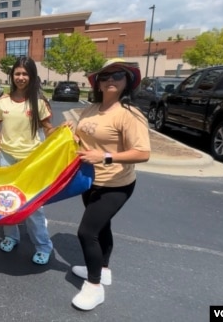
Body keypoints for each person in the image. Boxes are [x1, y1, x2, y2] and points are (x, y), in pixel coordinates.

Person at [69, 58, 150, 311]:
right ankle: (102, 269)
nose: (111, 80)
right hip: (90, 180)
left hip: (116, 184)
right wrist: (71, 134)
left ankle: (94, 287)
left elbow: (143, 152)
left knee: (86, 232)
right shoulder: (91, 108)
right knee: (102, 227)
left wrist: (105, 156)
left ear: (127, 81)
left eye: (118, 75)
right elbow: (85, 139)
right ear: (98, 84)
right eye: (106, 76)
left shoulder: (129, 114)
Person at [0, 56, 55, 265]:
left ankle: (43, 246)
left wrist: (62, 134)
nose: (21, 77)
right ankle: (11, 236)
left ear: (32, 76)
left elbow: (48, 128)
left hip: (31, 159)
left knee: (33, 206)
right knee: (6, 201)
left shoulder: (39, 102)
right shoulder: (3, 101)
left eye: (25, 74)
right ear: (12, 75)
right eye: (18, 73)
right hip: (6, 157)